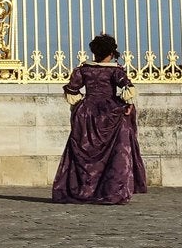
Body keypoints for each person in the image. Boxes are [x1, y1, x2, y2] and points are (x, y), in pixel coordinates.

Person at [52, 32, 148, 205]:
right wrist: (128, 104)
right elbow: (128, 89)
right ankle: (111, 191)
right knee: (117, 155)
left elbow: (71, 90)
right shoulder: (116, 71)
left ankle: (83, 190)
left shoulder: (83, 70)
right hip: (111, 112)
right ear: (111, 53)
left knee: (84, 153)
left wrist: (81, 104)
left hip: (87, 114)